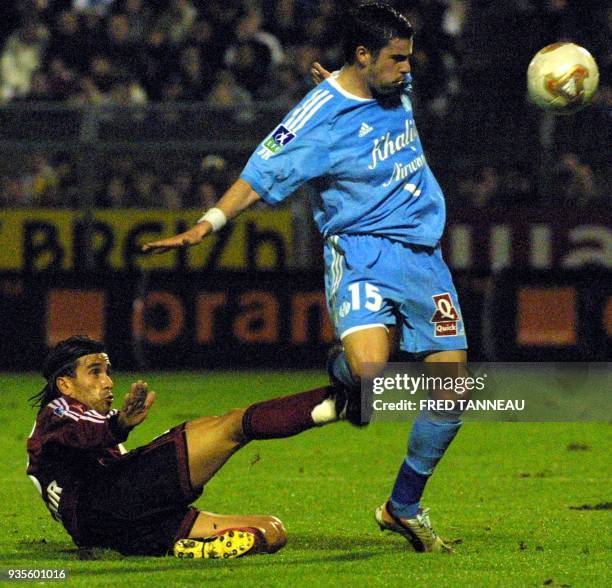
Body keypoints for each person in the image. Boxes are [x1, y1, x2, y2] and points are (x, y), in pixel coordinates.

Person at [143, 1, 467, 553]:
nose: (408, 70)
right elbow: (258, 172)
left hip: (422, 256)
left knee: (453, 390)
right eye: (397, 59)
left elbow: (363, 99)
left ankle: (402, 506)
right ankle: (345, 376)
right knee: (368, 372)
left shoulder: (389, 87)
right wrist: (208, 223)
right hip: (361, 251)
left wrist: (348, 85)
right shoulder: (314, 120)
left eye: (409, 59)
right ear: (363, 55)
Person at [27, 336, 349, 558]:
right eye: (95, 372)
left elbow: (92, 435)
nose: (108, 382)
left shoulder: (89, 419)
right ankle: (344, 402)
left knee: (271, 531)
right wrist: (121, 423)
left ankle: (187, 548)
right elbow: (85, 432)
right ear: (65, 384)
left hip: (118, 530)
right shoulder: (57, 412)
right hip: (106, 502)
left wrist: (117, 423)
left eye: (107, 372)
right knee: (231, 425)